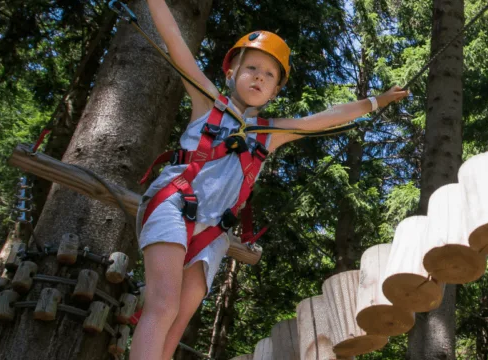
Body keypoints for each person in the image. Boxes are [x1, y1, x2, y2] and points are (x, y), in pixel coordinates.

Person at [132, 0, 408, 358]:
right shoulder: (208, 103)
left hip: (213, 232)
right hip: (173, 203)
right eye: (251, 68)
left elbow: (324, 118)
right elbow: (175, 41)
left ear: (275, 90)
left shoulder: (270, 133)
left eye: (269, 74)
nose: (259, 76)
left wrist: (375, 101)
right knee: (164, 304)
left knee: (179, 319)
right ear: (231, 72)